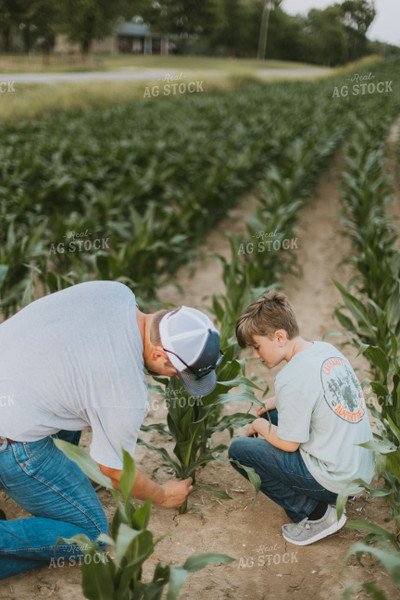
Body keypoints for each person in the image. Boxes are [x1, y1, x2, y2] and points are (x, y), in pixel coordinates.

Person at [0, 280, 221, 579]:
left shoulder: (116, 292)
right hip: (10, 444)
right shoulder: (126, 393)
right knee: (90, 534)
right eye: (175, 372)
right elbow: (113, 472)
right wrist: (162, 495)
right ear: (158, 355)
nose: (173, 379)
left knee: (75, 397)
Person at [228, 290, 375, 546]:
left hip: (337, 481)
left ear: (279, 337)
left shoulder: (290, 378)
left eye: (256, 346)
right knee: (273, 413)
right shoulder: (325, 350)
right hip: (359, 471)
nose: (255, 355)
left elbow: (288, 445)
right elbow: (318, 392)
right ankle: (323, 498)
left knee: (240, 451)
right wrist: (273, 403)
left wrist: (258, 425)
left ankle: (315, 514)